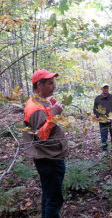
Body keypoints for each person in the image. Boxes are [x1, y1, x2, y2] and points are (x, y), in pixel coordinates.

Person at [23, 69, 68, 218]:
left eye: (53, 83)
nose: (54, 86)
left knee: (49, 196)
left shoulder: (39, 101)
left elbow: (43, 123)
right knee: (54, 201)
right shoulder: (35, 108)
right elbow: (41, 136)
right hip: (49, 159)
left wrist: (51, 108)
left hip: (49, 157)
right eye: (50, 83)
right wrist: (54, 113)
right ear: (39, 85)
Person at [93, 83, 112, 154]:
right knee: (103, 136)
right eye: (104, 88)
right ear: (101, 89)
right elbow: (95, 110)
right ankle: (105, 150)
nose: (106, 89)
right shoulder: (97, 98)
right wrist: (99, 117)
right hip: (102, 121)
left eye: (107, 88)